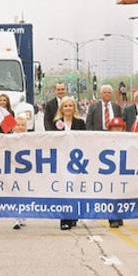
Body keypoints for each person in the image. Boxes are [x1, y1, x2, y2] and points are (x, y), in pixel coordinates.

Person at [53, 96, 86, 229]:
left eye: (70, 106)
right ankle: (64, 219)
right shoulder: (56, 123)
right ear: (61, 108)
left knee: (75, 188)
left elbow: (85, 140)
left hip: (77, 161)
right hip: (61, 160)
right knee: (64, 188)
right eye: (65, 106)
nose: (68, 108)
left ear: (74, 108)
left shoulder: (80, 123)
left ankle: (73, 216)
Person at [106, 117, 127, 228]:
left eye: (119, 127)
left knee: (122, 195)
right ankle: (113, 218)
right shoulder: (105, 141)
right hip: (110, 173)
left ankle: (119, 216)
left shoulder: (129, 140)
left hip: (123, 171)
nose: (117, 130)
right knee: (112, 195)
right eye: (114, 127)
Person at [11, 114, 29, 230]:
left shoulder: (29, 138)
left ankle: (23, 215)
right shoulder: (8, 138)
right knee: (14, 193)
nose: (20, 127)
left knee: (24, 192)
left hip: (26, 170)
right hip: (12, 169)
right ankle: (16, 218)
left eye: (23, 125)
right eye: (17, 125)